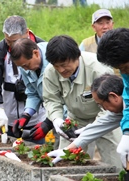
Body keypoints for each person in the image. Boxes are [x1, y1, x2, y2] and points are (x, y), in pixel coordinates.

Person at [43, 35, 122, 169]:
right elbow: (51, 99)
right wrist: (56, 119)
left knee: (115, 163)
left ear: (77, 56)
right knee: (66, 162)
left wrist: (93, 128)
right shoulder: (50, 72)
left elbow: (111, 108)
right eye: (57, 66)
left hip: (106, 118)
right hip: (75, 120)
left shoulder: (99, 69)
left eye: (64, 65)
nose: (61, 70)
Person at [0, 15, 45, 142]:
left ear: (27, 33)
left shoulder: (41, 47)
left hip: (38, 117)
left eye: (16, 41)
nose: (12, 45)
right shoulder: (1, 50)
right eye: (8, 41)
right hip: (10, 117)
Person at [47, 74, 123, 169]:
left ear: (113, 97)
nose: (104, 109)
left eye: (101, 104)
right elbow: (99, 127)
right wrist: (66, 150)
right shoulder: (118, 111)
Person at [9, 38, 53, 142]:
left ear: (36, 53)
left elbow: (65, 97)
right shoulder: (25, 66)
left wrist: (48, 122)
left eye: (26, 65)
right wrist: (26, 114)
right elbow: (33, 92)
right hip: (56, 116)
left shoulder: (54, 61)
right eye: (21, 67)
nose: (25, 69)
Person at [97, 28, 129, 170]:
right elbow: (128, 102)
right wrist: (127, 132)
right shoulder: (127, 73)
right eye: (119, 69)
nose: (124, 72)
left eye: (125, 67)